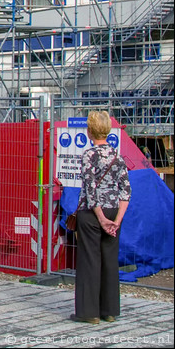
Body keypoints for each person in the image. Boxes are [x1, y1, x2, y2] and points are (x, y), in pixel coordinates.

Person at [72, 110, 131, 324]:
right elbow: (126, 191)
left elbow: (90, 188)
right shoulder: (118, 156)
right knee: (109, 259)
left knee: (90, 259)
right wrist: (116, 220)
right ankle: (110, 310)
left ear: (89, 131)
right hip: (114, 210)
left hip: (92, 213)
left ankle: (90, 313)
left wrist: (100, 216)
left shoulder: (89, 155)